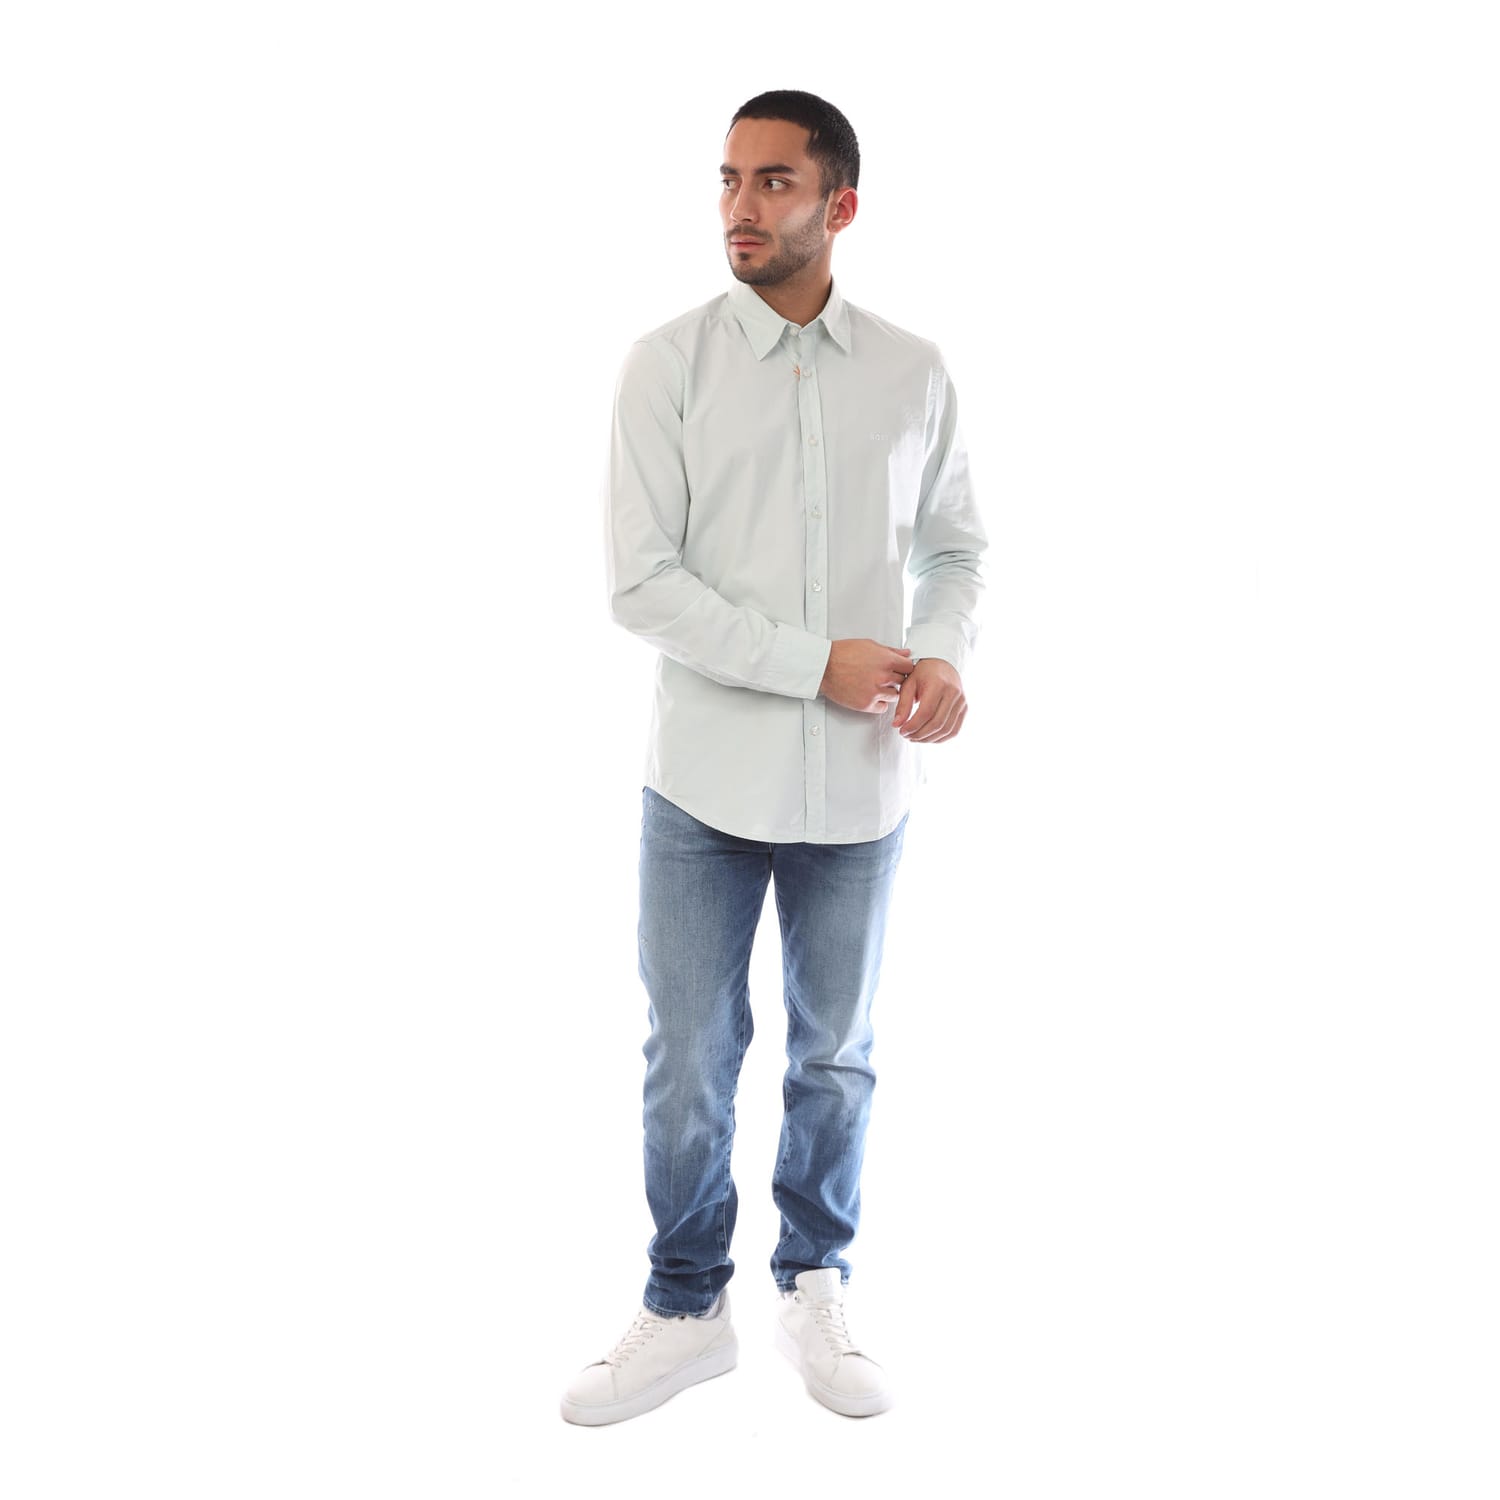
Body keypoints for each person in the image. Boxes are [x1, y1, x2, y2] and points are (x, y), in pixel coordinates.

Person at [560, 90, 988, 1426]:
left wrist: (941, 653)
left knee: (836, 1054)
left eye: (773, 182)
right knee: (690, 1056)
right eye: (729, 179)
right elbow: (642, 586)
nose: (739, 207)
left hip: (862, 786)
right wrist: (818, 663)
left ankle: (814, 1284)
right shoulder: (667, 365)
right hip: (702, 783)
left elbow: (955, 549)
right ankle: (687, 1305)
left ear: (838, 205)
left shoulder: (913, 371)